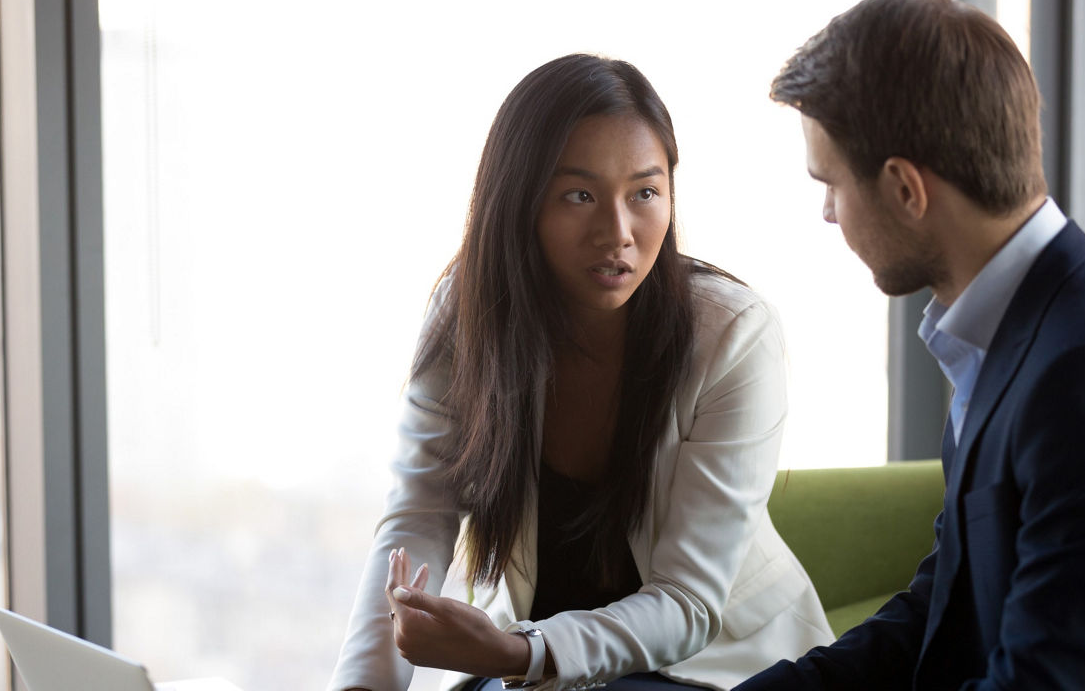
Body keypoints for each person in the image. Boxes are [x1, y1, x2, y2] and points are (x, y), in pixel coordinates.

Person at [737, 0, 1085, 690]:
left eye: (830, 184)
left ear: (905, 190)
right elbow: (942, 607)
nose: (827, 213)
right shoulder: (1023, 328)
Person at [327, 53, 833, 691]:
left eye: (645, 193)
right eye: (580, 195)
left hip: (711, 663)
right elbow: (417, 519)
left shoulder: (732, 333)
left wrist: (520, 653)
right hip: (536, 662)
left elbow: (688, 603)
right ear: (520, 202)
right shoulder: (470, 313)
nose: (617, 232)